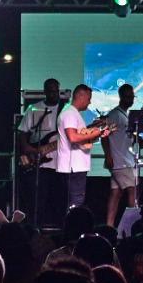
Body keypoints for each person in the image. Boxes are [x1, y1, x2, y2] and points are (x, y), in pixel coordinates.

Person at [55, 83, 113, 219]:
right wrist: (98, 132)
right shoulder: (70, 113)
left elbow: (81, 137)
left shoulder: (72, 113)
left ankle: (72, 227)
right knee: (75, 204)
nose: (90, 102)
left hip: (75, 167)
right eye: (88, 98)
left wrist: (97, 132)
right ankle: (72, 229)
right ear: (80, 96)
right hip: (73, 167)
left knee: (75, 203)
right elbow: (73, 137)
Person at [20, 79, 65, 224]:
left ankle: (58, 229)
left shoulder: (66, 110)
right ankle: (36, 228)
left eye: (56, 91)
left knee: (58, 200)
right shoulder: (34, 109)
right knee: (38, 200)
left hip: (60, 164)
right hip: (39, 163)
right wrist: (28, 149)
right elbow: (23, 132)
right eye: (50, 91)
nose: (54, 94)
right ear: (45, 92)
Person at [103, 82, 141, 229]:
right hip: (120, 161)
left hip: (124, 159)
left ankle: (109, 226)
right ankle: (132, 227)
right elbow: (104, 136)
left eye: (132, 96)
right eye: (128, 96)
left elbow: (124, 136)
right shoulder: (114, 115)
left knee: (116, 193)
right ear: (121, 97)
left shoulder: (126, 116)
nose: (131, 99)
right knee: (132, 191)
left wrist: (137, 139)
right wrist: (108, 156)